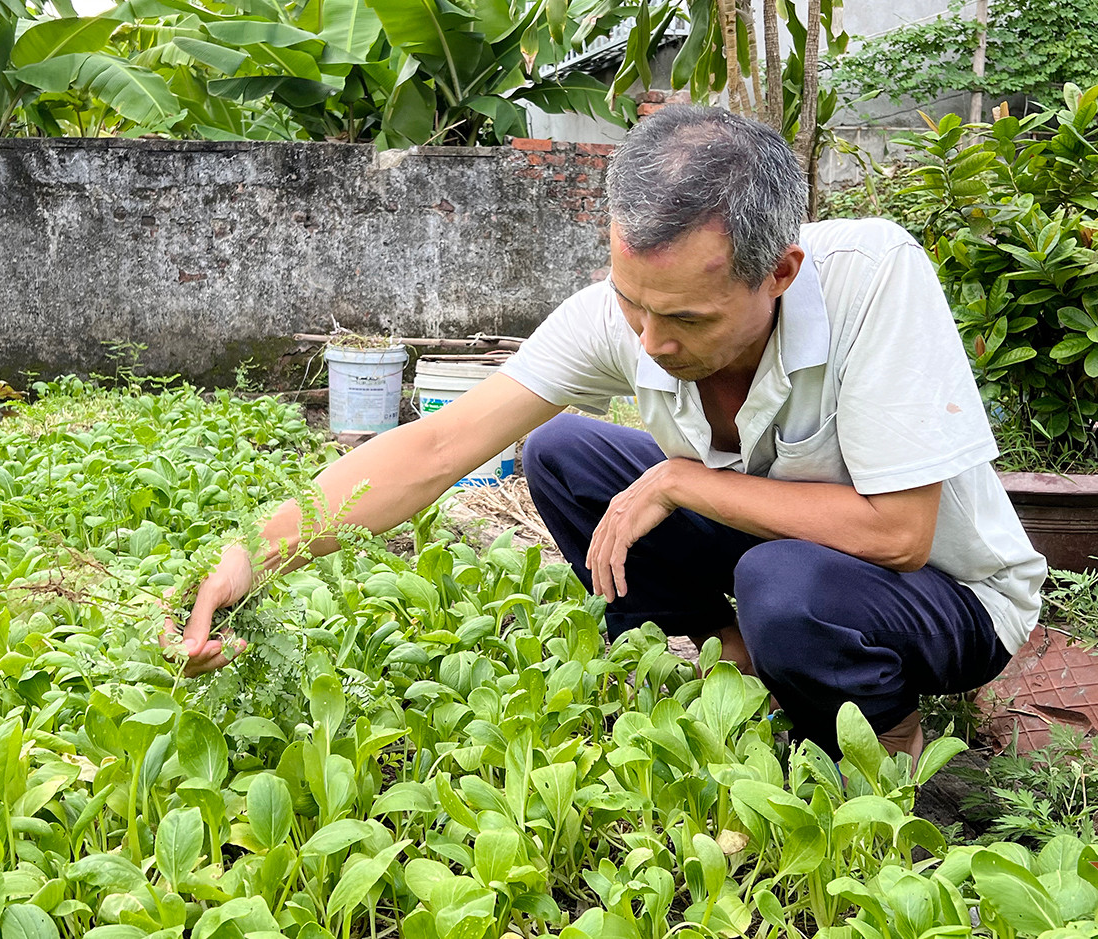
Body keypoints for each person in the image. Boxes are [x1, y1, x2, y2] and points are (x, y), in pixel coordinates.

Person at [173, 105, 1046, 761]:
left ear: (780, 272)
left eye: (688, 320)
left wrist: (678, 481)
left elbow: (900, 533)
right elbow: (436, 448)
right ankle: (731, 666)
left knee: (786, 582)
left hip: (948, 597)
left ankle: (881, 753)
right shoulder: (625, 316)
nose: (654, 344)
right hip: (782, 553)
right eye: (634, 304)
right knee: (561, 452)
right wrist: (250, 554)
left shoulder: (873, 280)